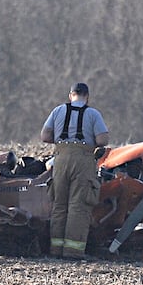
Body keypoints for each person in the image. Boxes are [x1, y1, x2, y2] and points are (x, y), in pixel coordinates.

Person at [40, 82, 109, 260]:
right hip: (83, 160)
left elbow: (45, 136)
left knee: (59, 204)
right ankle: (73, 251)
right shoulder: (93, 113)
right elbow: (102, 139)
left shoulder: (58, 111)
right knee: (79, 206)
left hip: (61, 160)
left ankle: (56, 249)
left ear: (70, 95)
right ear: (87, 97)